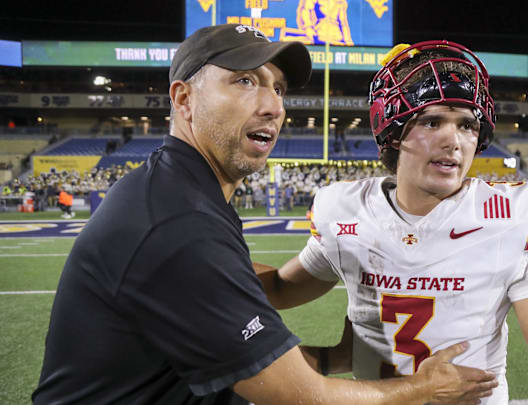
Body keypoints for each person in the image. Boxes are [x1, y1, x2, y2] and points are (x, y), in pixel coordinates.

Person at [33, 25, 493, 405]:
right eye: (245, 81)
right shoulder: (180, 224)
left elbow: (258, 316)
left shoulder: (182, 189)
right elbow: (300, 395)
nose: (274, 106)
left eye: (278, 87)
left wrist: (344, 331)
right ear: (184, 99)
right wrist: (425, 388)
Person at [260, 41, 528, 405]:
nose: (454, 141)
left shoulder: (508, 216)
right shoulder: (345, 211)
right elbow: (280, 289)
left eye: (466, 125)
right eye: (432, 121)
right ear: (392, 131)